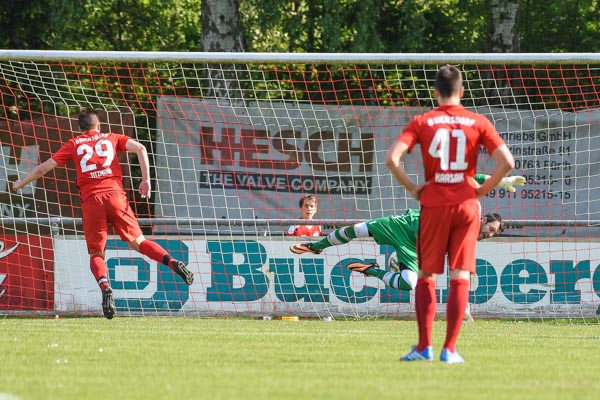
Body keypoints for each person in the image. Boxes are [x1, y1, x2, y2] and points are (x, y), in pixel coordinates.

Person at [385, 65, 514, 363]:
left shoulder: (423, 121)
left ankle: (423, 348)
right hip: (466, 206)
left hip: (434, 203)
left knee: (426, 274)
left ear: (435, 91)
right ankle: (450, 350)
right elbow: (507, 161)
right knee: (459, 276)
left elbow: (392, 159)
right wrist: (481, 191)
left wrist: (414, 189)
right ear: (462, 92)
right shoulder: (477, 121)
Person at [12, 109, 194, 320]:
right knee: (139, 241)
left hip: (92, 201)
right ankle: (172, 262)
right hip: (116, 196)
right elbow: (141, 148)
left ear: (80, 129)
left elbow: (44, 168)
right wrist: (146, 180)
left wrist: (20, 182)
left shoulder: (74, 144)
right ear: (98, 126)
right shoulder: (111, 137)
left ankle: (106, 287)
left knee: (96, 254)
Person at [290, 208, 506, 292]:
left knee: (408, 284)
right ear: (483, 219)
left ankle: (371, 270)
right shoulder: (468, 215)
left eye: (492, 234)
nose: (488, 234)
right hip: (403, 226)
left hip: (412, 248)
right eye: (490, 229)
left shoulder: (466, 241)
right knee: (355, 230)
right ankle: (316, 246)